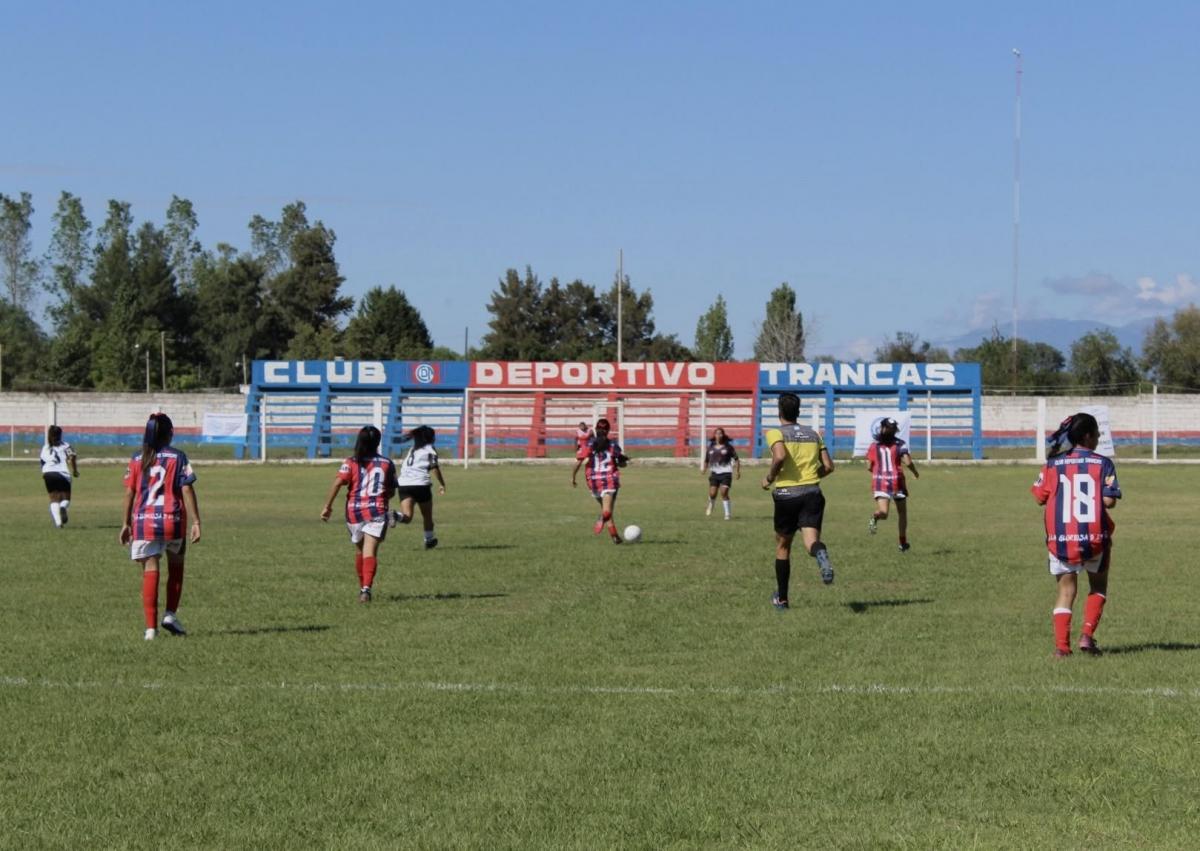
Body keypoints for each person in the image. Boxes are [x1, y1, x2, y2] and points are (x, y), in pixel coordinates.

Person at [1031, 413, 1121, 658]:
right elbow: (1109, 501)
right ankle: (1087, 636)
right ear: (1088, 436)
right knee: (1098, 586)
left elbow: (1039, 497)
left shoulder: (1053, 463)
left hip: (1061, 539)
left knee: (1066, 592)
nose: (1099, 437)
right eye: (1097, 433)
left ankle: (1062, 648)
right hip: (1094, 537)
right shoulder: (1103, 463)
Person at [119, 413, 201, 640]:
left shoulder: (138, 458)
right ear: (170, 433)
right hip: (172, 520)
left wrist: (125, 523)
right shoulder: (178, 456)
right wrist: (196, 521)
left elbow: (129, 492)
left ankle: (150, 629)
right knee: (176, 566)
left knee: (150, 569)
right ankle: (170, 615)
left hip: (144, 522)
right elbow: (187, 488)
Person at [761, 393, 835, 609]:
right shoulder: (813, 434)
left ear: (779, 412)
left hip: (787, 495)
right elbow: (829, 466)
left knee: (783, 546)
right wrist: (811, 478)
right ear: (798, 412)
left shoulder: (775, 433)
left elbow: (780, 456)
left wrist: (769, 478)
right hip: (813, 493)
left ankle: (782, 599)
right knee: (811, 542)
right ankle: (820, 553)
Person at [322, 426, 397, 602]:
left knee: (360, 550)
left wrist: (327, 507)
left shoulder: (350, 462)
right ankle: (366, 589)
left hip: (354, 512)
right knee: (369, 551)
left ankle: (363, 588)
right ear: (378, 442)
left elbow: (337, 483)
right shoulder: (387, 463)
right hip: (377, 510)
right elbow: (392, 491)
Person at [571, 417, 628, 544]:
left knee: (605, 508)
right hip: (609, 480)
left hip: (593, 481)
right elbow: (622, 463)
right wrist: (623, 461)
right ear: (608, 430)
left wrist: (573, 477)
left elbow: (579, 461)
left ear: (596, 429)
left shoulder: (589, 444)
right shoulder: (613, 445)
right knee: (607, 510)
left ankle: (614, 536)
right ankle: (602, 517)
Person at [866, 417, 920, 551]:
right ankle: (902, 543)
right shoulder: (900, 444)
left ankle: (876, 516)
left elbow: (868, 466)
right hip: (897, 482)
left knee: (884, 513)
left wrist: (878, 473)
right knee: (902, 513)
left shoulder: (874, 445)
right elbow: (908, 462)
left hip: (880, 482)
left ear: (882, 428)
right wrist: (915, 472)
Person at [390, 425, 446, 550]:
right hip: (421, 485)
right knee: (427, 516)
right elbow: (434, 467)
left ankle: (395, 515)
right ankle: (429, 540)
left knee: (407, 516)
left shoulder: (412, 450)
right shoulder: (430, 449)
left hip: (403, 484)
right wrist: (442, 483)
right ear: (429, 438)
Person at [40, 425, 79, 528]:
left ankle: (58, 523)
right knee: (66, 499)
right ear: (60, 435)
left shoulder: (45, 447)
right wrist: (75, 471)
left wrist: (44, 474)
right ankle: (63, 507)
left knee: (53, 498)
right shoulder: (66, 446)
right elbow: (72, 457)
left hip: (48, 473)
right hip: (62, 473)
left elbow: (42, 463)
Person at [702, 426, 741, 519]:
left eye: (720, 433)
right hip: (714, 473)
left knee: (724, 492)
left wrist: (738, 471)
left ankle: (727, 514)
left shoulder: (728, 447)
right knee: (712, 493)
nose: (718, 435)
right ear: (714, 435)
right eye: (717, 433)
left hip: (726, 473)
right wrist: (704, 469)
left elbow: (736, 459)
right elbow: (706, 460)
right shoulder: (710, 448)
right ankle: (711, 504)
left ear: (723, 435)